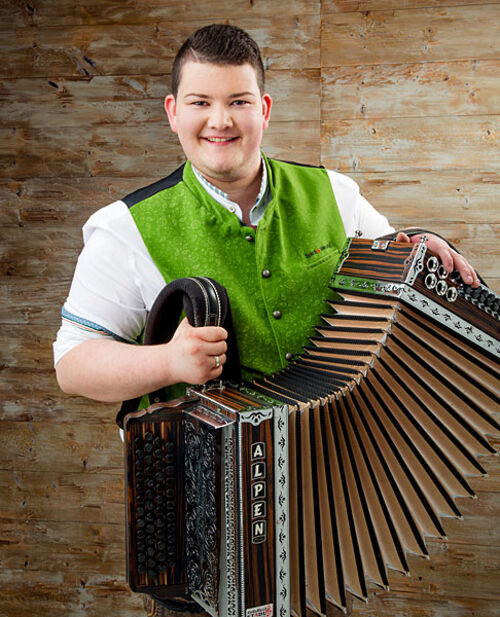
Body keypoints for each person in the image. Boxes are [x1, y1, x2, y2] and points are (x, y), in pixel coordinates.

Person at [53, 24, 479, 617]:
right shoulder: (124, 229)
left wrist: (421, 243)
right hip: (198, 521)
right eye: (201, 102)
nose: (219, 121)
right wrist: (167, 361)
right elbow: (72, 364)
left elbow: (393, 269)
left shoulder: (335, 194)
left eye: (238, 102)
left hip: (328, 509)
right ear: (174, 113)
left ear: (265, 109)